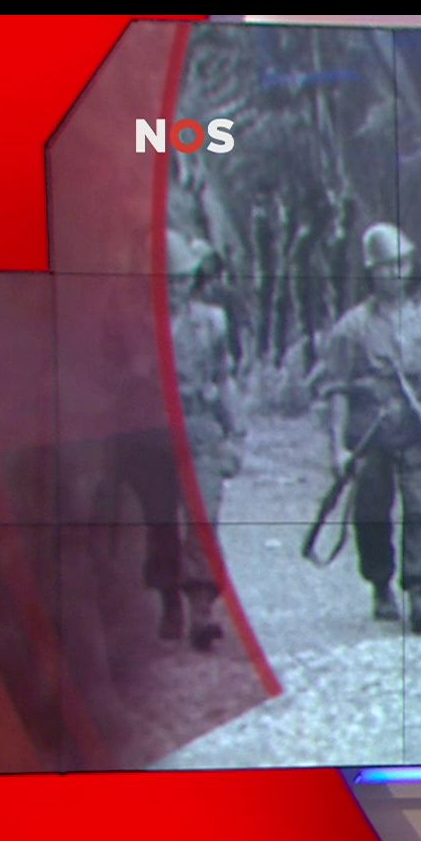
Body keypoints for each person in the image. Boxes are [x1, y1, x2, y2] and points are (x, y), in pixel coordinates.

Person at [320, 222, 421, 635]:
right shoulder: (352, 328)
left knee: (420, 510)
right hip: (371, 434)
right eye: (386, 266)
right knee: (372, 513)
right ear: (372, 271)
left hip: (418, 430)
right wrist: (338, 448)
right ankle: (380, 582)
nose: (396, 272)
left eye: (402, 263)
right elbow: (337, 390)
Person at [162, 229, 245, 651]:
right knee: (158, 521)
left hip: (200, 426)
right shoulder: (133, 324)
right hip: (154, 433)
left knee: (203, 517)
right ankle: (167, 599)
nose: (177, 288)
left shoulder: (211, 323)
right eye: (168, 280)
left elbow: (224, 378)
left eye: (183, 279)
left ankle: (201, 609)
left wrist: (236, 433)